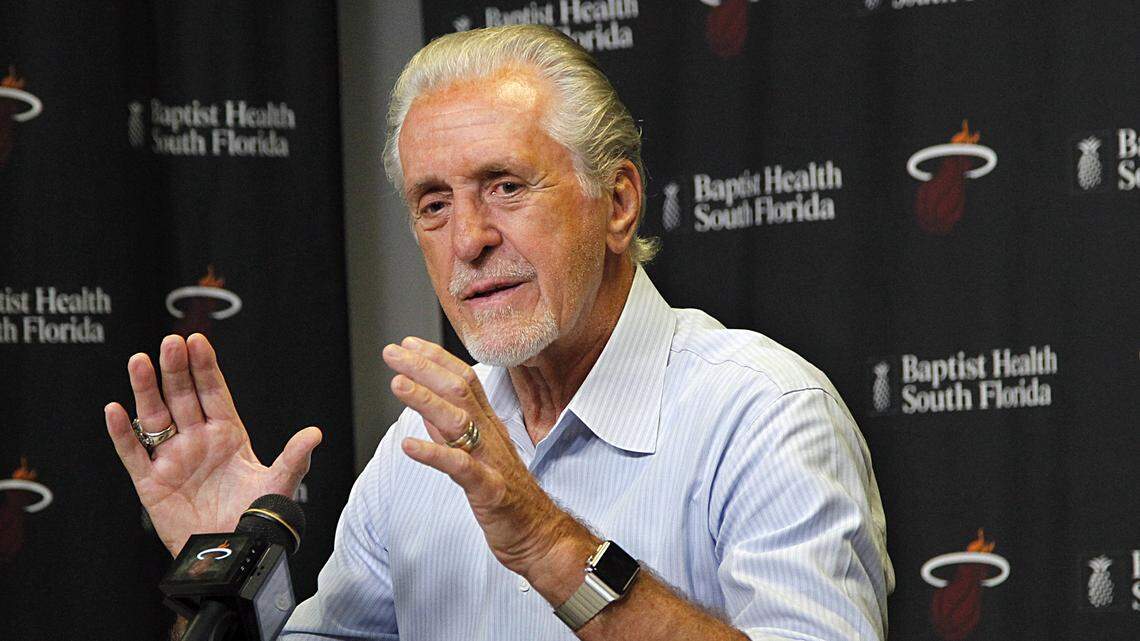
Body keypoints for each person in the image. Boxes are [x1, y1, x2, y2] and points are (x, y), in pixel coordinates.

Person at [105, 25, 894, 641]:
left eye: (506, 186)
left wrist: (549, 544)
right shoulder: (418, 450)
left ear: (618, 202)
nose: (469, 239)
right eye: (434, 203)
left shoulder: (767, 414)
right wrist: (224, 579)